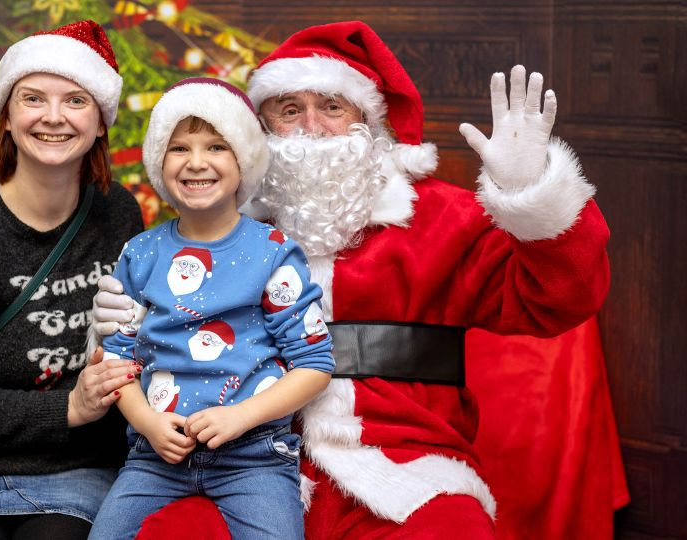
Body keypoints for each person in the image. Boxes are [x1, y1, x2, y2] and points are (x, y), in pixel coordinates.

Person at [92, 21, 610, 539]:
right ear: (262, 129)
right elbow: (141, 337)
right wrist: (114, 325)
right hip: (237, 459)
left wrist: (529, 194)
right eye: (290, 110)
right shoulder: (219, 225)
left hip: (405, 465)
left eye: (333, 107)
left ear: (371, 120)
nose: (312, 127)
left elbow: (558, 301)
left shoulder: (441, 218)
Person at [0, 20, 144, 540]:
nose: (54, 117)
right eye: (33, 98)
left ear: (101, 121)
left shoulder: (119, 216)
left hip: (83, 471)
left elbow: (139, 342)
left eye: (76, 100)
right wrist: (71, 407)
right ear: (8, 116)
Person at [88, 77, 334, 540]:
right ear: (160, 163)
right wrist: (148, 423)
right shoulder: (140, 254)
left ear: (243, 162)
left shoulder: (274, 252)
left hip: (254, 457)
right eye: (179, 148)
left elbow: (315, 364)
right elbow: (118, 360)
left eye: (217, 147)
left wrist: (240, 417)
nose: (196, 162)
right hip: (155, 456)